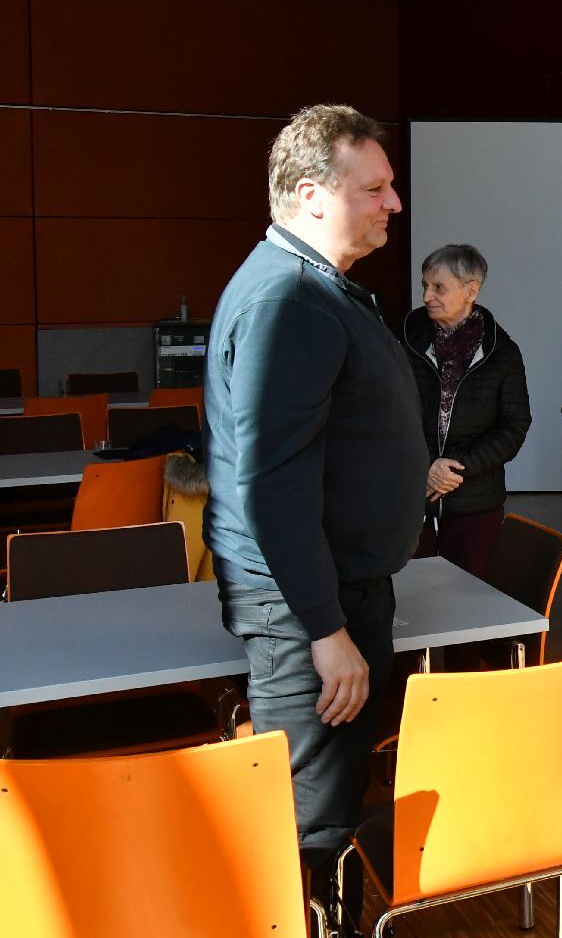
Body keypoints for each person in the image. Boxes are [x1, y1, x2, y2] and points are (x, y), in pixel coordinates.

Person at [203, 104, 428, 899]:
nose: (393, 202)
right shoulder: (289, 302)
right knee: (313, 828)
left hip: (332, 596)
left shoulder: (314, 289)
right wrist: (326, 631)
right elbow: (273, 486)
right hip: (308, 616)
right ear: (310, 195)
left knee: (330, 811)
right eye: (374, 188)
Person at [404, 243, 531, 580]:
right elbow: (385, 413)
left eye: (439, 287)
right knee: (413, 594)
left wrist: (453, 468)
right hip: (409, 497)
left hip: (475, 502)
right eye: (425, 286)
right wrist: (426, 465)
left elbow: (514, 426)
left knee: (471, 593)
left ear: (471, 291)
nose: (427, 296)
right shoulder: (404, 341)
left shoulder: (501, 352)